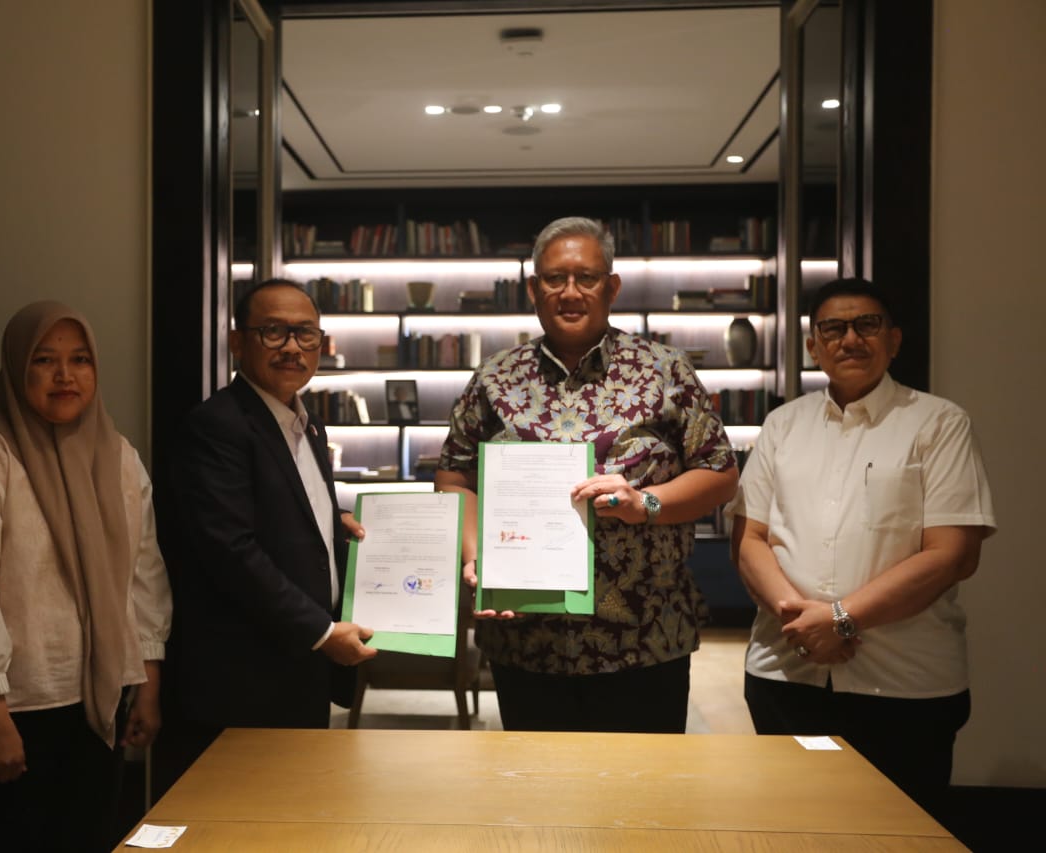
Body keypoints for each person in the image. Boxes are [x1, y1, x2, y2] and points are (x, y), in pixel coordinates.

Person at [434, 216, 738, 733]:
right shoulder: (495, 377)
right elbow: (454, 477)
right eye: (555, 279)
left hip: (646, 635)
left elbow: (720, 473)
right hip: (526, 641)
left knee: (643, 782)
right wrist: (476, 556)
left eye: (587, 278)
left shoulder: (665, 369)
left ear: (611, 287)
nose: (570, 292)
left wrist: (647, 503)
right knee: (534, 781)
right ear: (534, 289)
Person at [727, 277, 996, 820]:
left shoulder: (939, 423)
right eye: (833, 328)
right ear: (813, 346)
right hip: (787, 673)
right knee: (794, 825)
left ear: (893, 340)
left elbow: (952, 553)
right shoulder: (782, 425)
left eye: (866, 325)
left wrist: (840, 619)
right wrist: (800, 621)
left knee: (901, 832)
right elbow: (750, 537)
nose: (850, 339)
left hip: (904, 684)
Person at [0, 301, 173, 852]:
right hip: (9, 708)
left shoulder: (118, 458)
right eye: (44, 360)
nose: (65, 375)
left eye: (80, 360)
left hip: (97, 701)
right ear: (16, 369)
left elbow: (144, 575)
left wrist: (147, 684)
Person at [168, 278, 377, 768]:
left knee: (298, 799)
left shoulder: (309, 423)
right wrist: (321, 632)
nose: (291, 347)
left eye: (306, 334)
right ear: (238, 342)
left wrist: (334, 522)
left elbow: (283, 511)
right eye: (273, 331)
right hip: (245, 675)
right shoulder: (217, 425)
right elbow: (230, 550)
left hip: (301, 664)